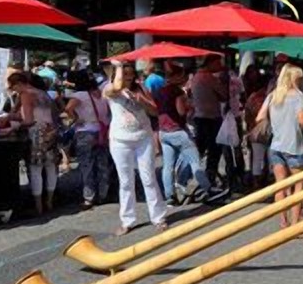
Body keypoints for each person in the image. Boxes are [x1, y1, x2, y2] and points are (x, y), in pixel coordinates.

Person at [103, 62, 166, 235]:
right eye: (125, 73)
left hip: (143, 138)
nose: (128, 77)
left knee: (149, 178)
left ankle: (158, 217)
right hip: (120, 140)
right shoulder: (109, 89)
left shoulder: (141, 89)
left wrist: (141, 100)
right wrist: (118, 66)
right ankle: (127, 220)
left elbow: (155, 111)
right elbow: (116, 86)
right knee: (125, 181)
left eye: (131, 73)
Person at [155, 62, 226, 205]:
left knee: (168, 166)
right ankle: (208, 189)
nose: (185, 78)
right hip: (178, 132)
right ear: (176, 76)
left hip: (164, 132)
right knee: (195, 162)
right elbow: (181, 111)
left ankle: (170, 197)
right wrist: (190, 107)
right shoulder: (177, 92)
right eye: (183, 75)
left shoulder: (160, 91)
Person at [260, 63, 303, 229]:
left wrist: (277, 123)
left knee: (280, 185)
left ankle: (283, 221)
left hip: (276, 145)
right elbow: (302, 121)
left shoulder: (273, 95)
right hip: (293, 145)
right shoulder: (299, 96)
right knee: (299, 186)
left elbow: (260, 117)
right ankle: (295, 225)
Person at [9, 71, 60, 216]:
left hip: (37, 133)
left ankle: (38, 206)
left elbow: (28, 120)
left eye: (13, 87)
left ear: (19, 84)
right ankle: (49, 201)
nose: (13, 90)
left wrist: (13, 127)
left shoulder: (26, 94)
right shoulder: (43, 93)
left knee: (35, 169)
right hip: (51, 130)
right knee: (50, 167)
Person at [64, 68, 113, 210]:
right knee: (103, 164)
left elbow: (68, 108)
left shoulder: (80, 95)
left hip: (86, 131)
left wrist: (76, 118)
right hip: (102, 132)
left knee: (87, 165)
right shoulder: (102, 92)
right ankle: (104, 194)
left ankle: (89, 197)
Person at [190, 56, 229, 187]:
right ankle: (210, 175)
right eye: (218, 63)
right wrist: (223, 82)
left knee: (200, 148)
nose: (220, 66)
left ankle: (193, 173)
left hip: (199, 117)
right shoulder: (210, 78)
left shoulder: (195, 77)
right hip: (211, 118)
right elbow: (224, 95)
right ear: (210, 63)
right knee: (214, 149)